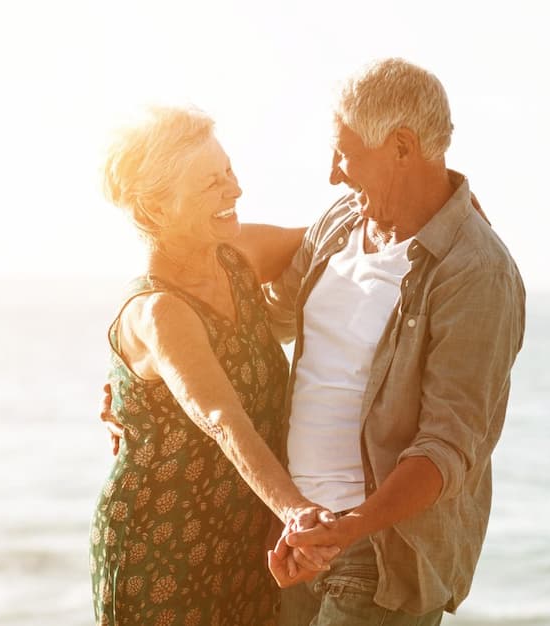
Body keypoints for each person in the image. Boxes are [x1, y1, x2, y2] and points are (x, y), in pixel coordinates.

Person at [262, 57, 526, 626]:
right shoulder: (339, 222)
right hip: (297, 537)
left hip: (378, 560)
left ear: (402, 146)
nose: (334, 174)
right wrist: (137, 376)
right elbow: (262, 321)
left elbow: (446, 447)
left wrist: (347, 529)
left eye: (345, 153)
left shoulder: (476, 271)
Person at [90, 104, 333, 625]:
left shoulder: (236, 254)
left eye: (228, 171)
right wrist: (296, 510)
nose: (235, 190)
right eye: (210, 183)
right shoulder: (159, 311)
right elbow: (224, 420)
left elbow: (335, 237)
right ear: (156, 209)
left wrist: (432, 205)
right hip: (162, 551)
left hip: (244, 537)